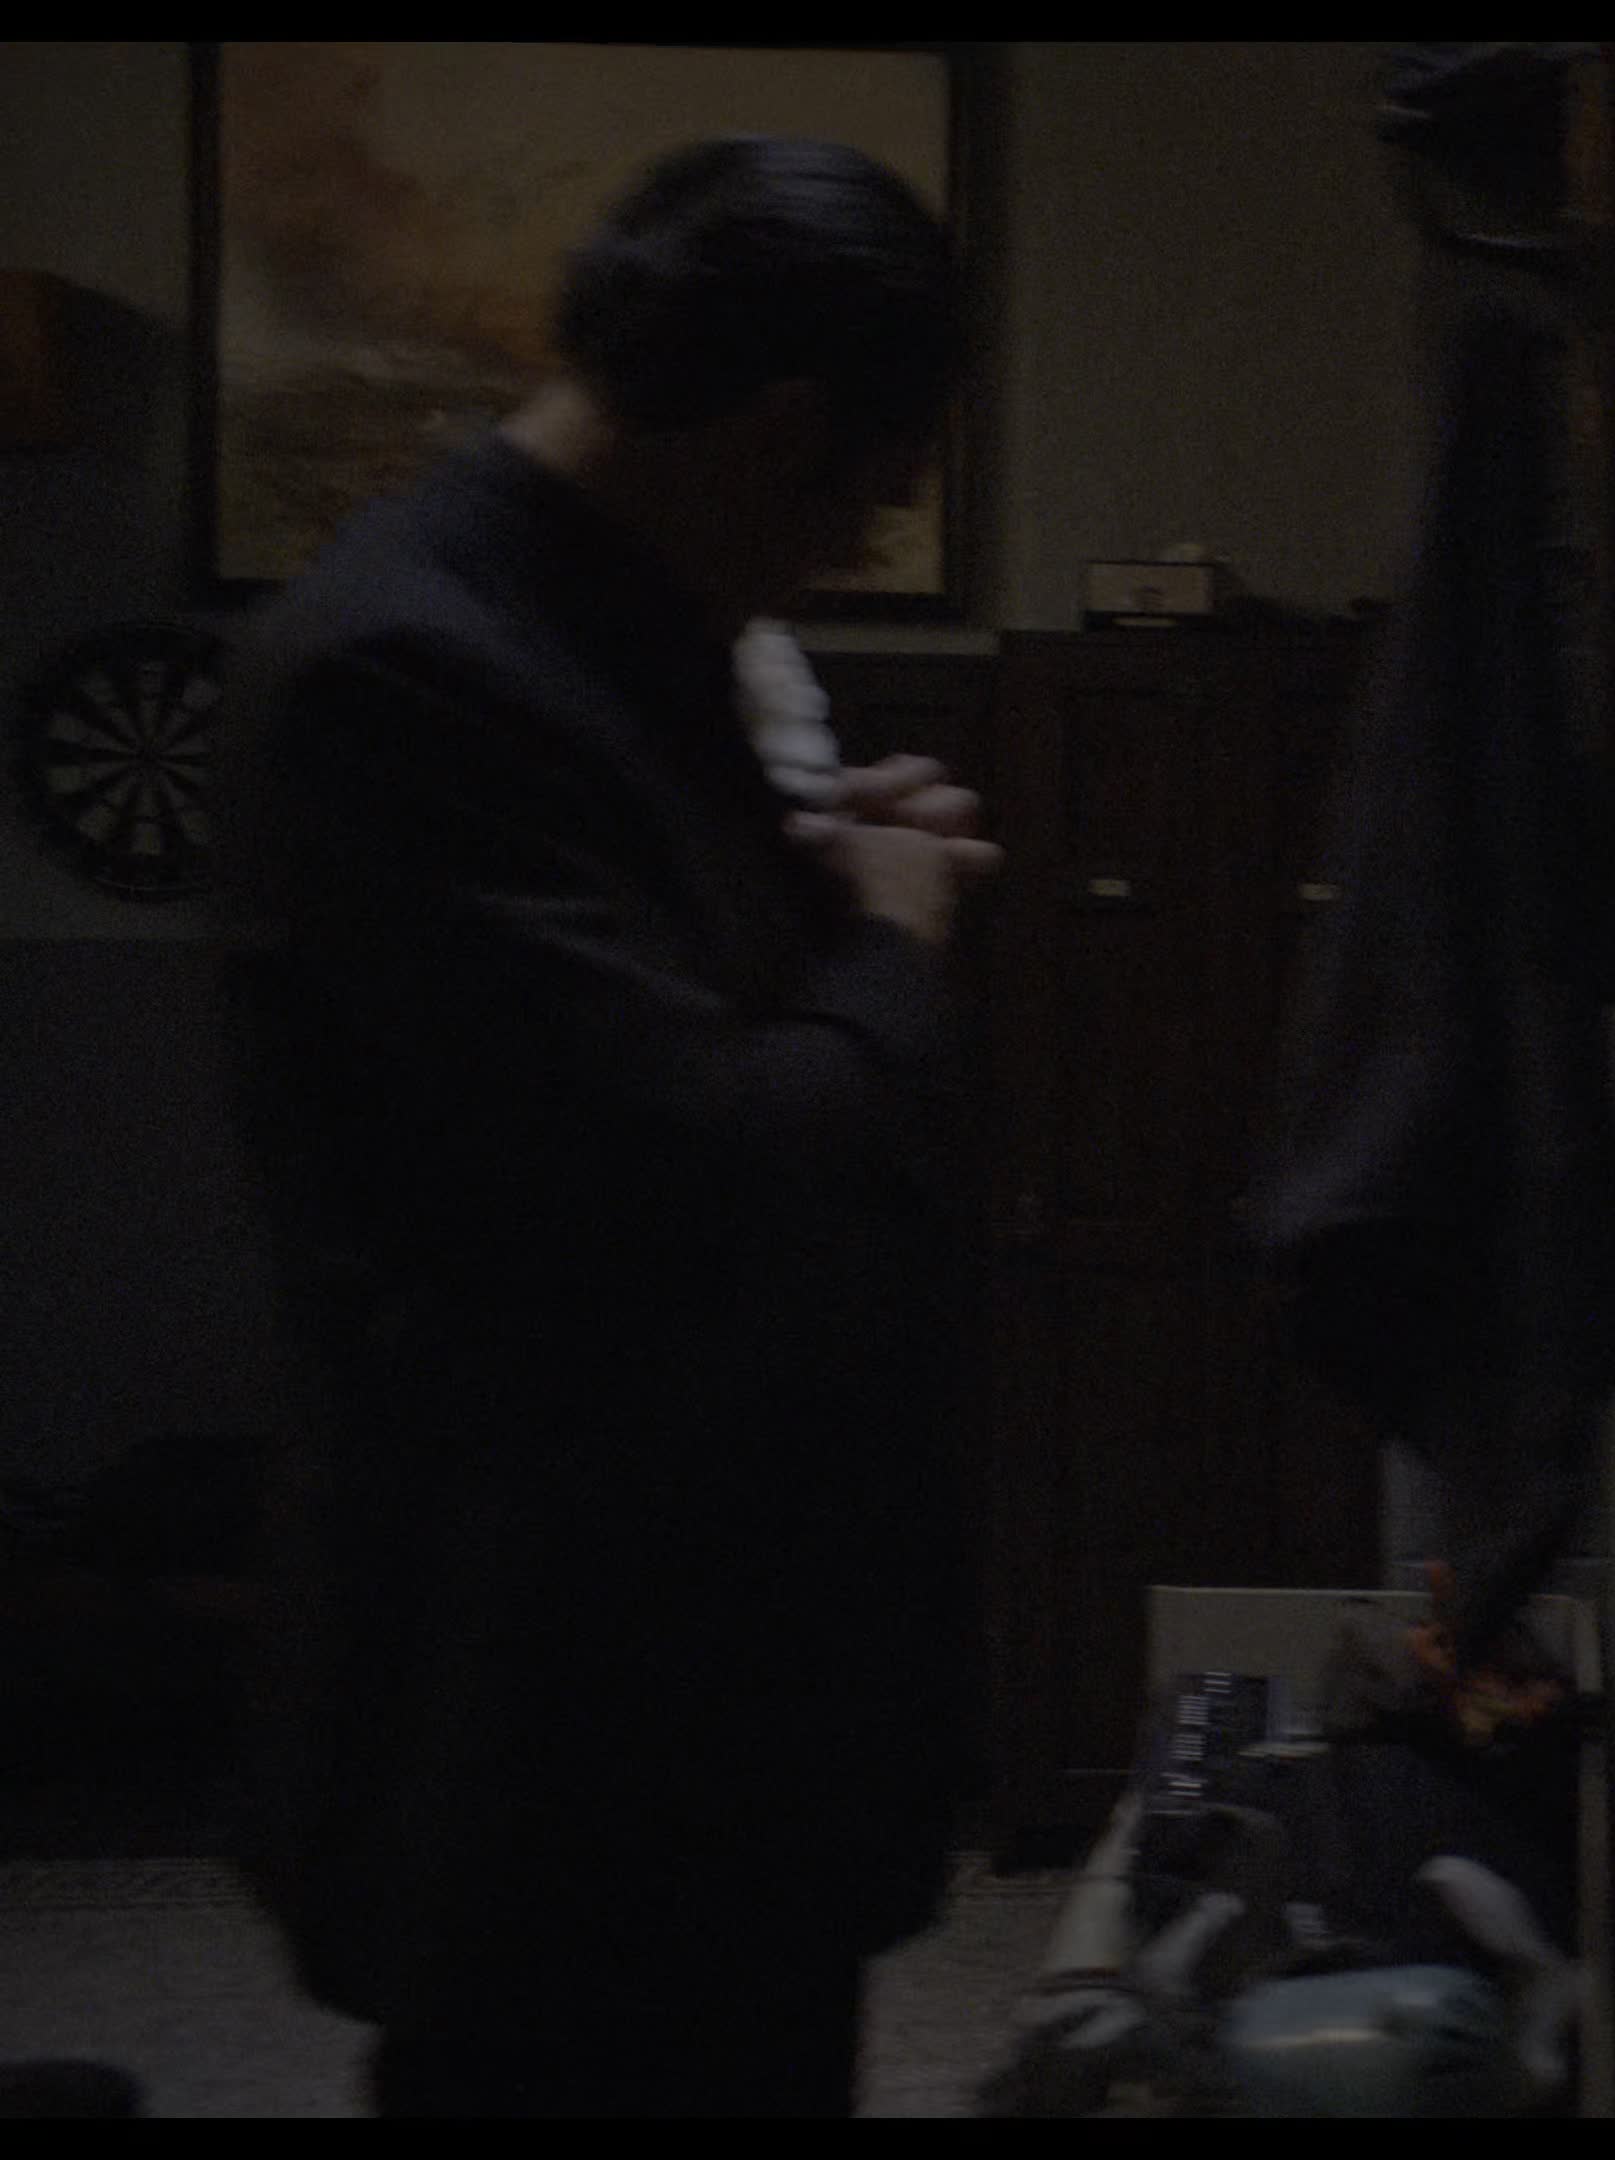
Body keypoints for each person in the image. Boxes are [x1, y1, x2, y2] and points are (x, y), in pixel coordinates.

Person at [216, 136, 1000, 2119]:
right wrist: (894, 943)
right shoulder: (410, 669)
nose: (840, 560)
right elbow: (706, 1172)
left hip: (691, 1717)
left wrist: (813, 884)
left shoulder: (600, 626)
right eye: (860, 507)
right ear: (781, 431)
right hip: (563, 1746)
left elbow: (635, 1024)